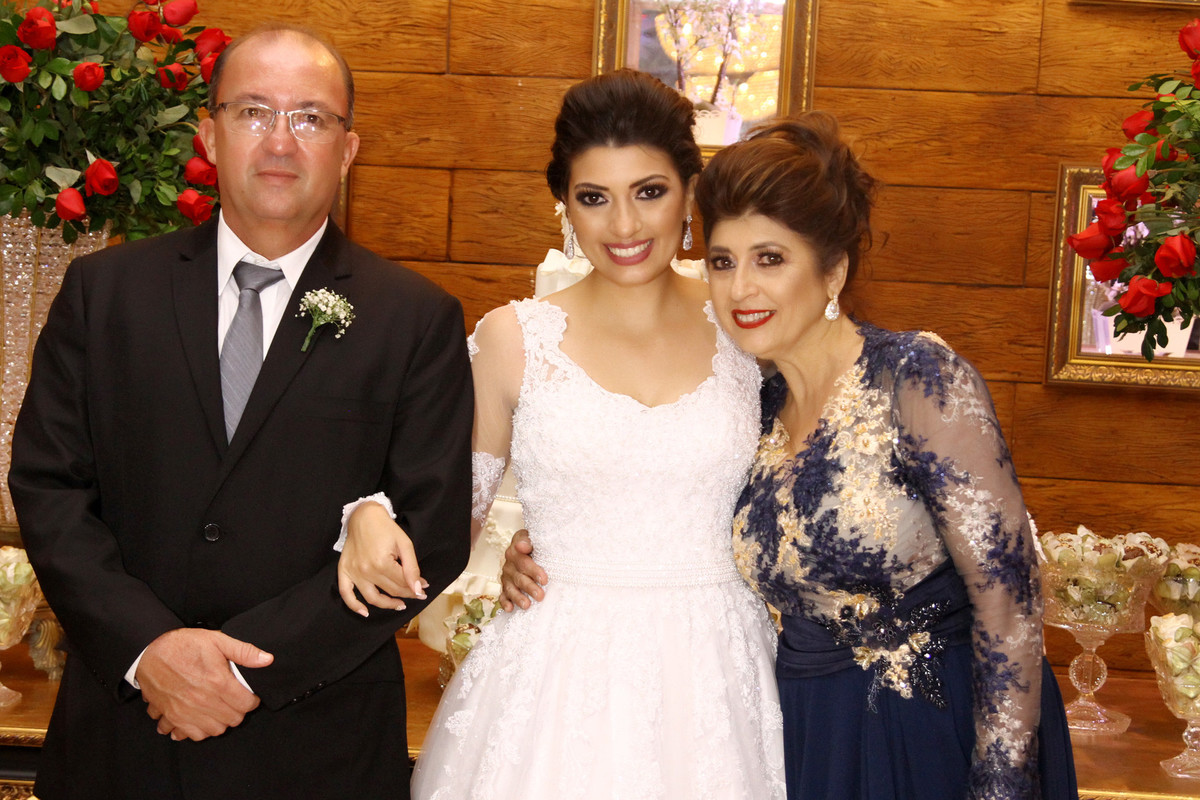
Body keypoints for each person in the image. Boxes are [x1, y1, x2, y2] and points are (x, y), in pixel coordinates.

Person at [505, 111, 1078, 800]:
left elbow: (1010, 602)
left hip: (932, 736)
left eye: (770, 259)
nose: (740, 288)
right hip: (807, 740)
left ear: (833, 270)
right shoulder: (752, 403)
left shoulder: (917, 379)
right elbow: (661, 506)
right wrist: (541, 547)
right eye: (723, 262)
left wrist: (1000, 786)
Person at [8, 23, 472, 800]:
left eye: (311, 117)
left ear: (348, 150)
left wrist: (241, 670)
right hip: (122, 739)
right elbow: (48, 487)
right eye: (253, 112)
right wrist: (149, 650)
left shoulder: (415, 320)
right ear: (209, 136)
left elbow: (431, 530)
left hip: (317, 745)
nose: (280, 141)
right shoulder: (105, 293)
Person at [337, 69, 785, 798]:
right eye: (594, 198)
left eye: (649, 191)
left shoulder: (748, 325)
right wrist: (367, 513)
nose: (624, 226)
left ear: (690, 194)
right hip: (553, 676)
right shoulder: (512, 339)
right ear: (565, 206)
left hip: (719, 674)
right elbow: (446, 521)